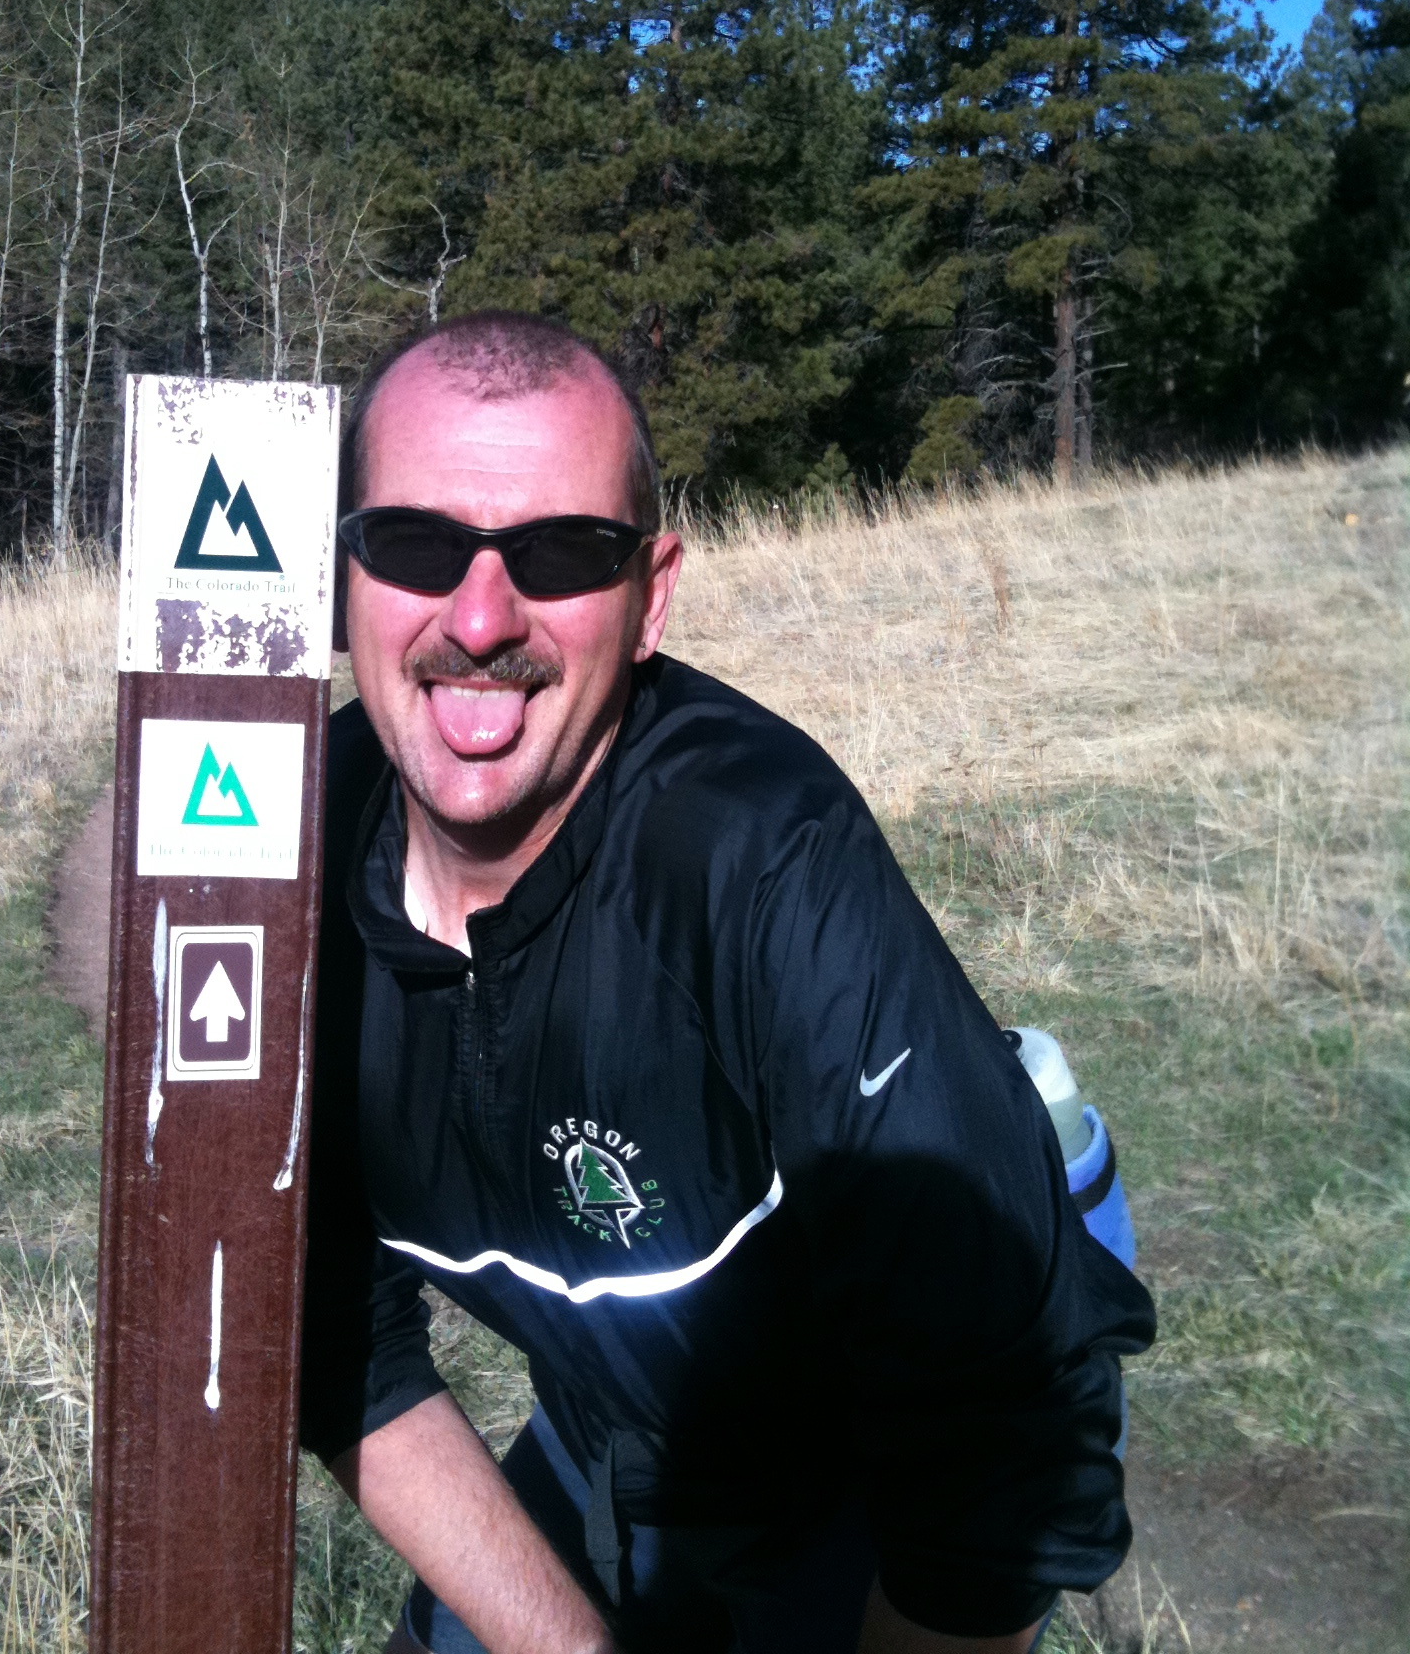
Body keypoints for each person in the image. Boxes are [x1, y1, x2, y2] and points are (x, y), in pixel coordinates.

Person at [299, 312, 1155, 1654]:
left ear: (653, 595)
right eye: (415, 543)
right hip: (612, 1438)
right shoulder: (279, 877)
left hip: (859, 1479)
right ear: (343, 573)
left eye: (561, 554)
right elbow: (334, 1337)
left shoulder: (761, 864)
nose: (479, 619)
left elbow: (1002, 1454)